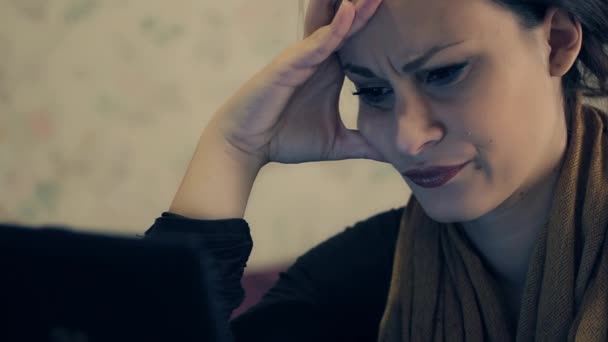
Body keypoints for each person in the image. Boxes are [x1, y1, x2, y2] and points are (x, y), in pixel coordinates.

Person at [145, 0, 608, 341]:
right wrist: (234, 148)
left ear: (557, 42)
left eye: (444, 73)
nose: (407, 138)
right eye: (372, 91)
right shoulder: (364, 277)